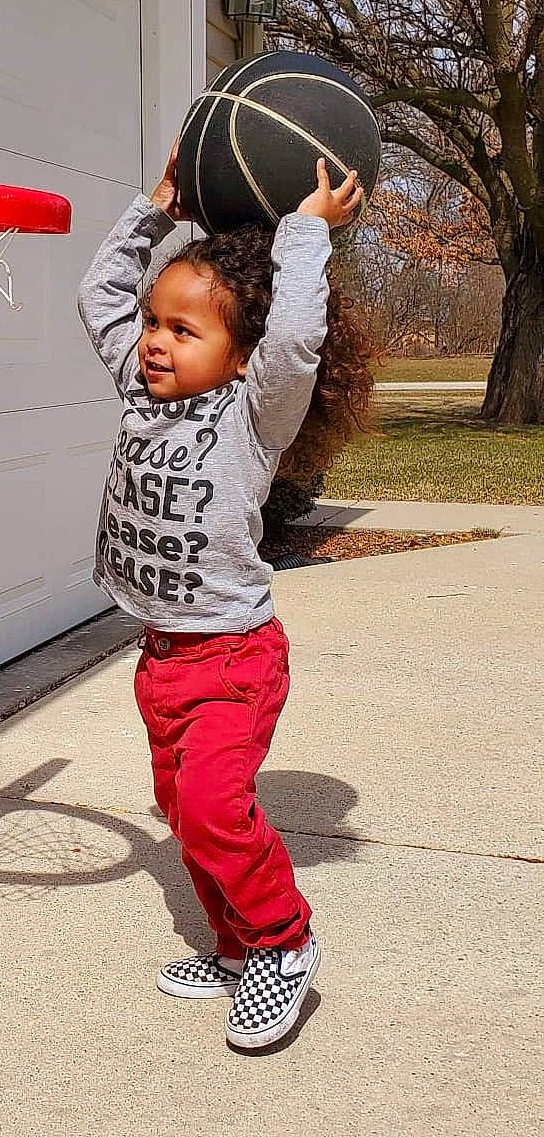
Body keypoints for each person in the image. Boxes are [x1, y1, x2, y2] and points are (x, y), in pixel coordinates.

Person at [76, 146, 376, 1050]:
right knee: (184, 814)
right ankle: (235, 946)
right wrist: (156, 208)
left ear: (239, 359)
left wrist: (305, 236)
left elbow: (292, 341)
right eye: (155, 322)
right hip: (160, 656)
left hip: (233, 657)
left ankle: (284, 941)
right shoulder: (142, 384)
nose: (156, 339)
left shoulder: (253, 414)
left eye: (184, 329)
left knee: (211, 807)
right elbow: (99, 297)